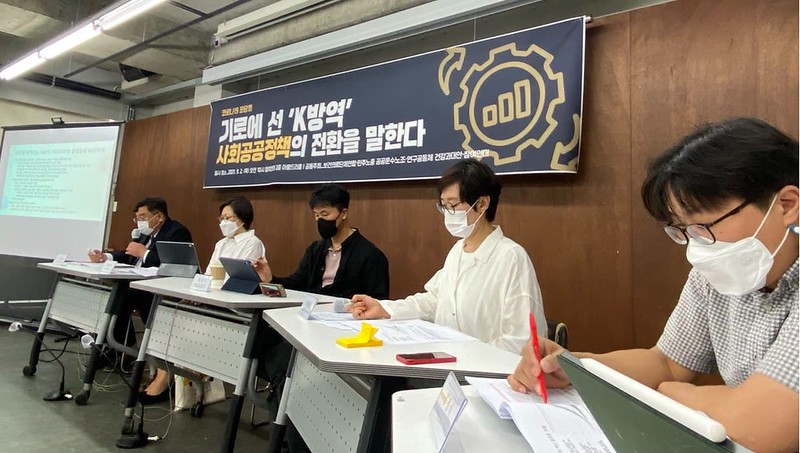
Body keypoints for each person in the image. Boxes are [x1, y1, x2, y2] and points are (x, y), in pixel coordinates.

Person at [508, 118, 798, 452]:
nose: (697, 248)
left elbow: (761, 426)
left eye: (703, 227)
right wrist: (574, 366)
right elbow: (667, 363)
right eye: (683, 231)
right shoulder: (715, 274)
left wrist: (676, 394)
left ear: (787, 205)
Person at [348, 158, 547, 354]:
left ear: (482, 204)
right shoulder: (458, 250)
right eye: (443, 205)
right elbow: (434, 300)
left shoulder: (511, 257)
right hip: (449, 362)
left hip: (488, 369)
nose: (447, 213)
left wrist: (469, 353)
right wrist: (384, 308)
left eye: (453, 205)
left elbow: (523, 339)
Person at [140, 196, 266, 403]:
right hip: (212, 299)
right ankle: (166, 372)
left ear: (242, 219)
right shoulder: (221, 243)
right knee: (168, 313)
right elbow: (208, 274)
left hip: (235, 308)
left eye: (228, 218)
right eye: (221, 218)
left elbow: (237, 278)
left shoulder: (252, 243)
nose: (223, 222)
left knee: (181, 320)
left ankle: (165, 378)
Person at [88, 198, 192, 357]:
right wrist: (106, 257)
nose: (139, 222)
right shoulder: (145, 233)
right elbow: (129, 254)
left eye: (143, 217)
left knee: (120, 297)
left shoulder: (176, 232)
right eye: (137, 218)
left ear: (159, 217)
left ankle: (124, 352)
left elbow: (174, 264)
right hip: (135, 283)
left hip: (157, 288)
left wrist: (145, 253)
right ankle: (116, 349)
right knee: (111, 294)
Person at [254, 183, 389, 299]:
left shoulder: (370, 255)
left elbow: (378, 300)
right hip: (309, 313)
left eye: (325, 214)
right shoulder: (315, 249)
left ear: (343, 213)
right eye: (316, 215)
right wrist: (271, 279)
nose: (319, 220)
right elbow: (297, 283)